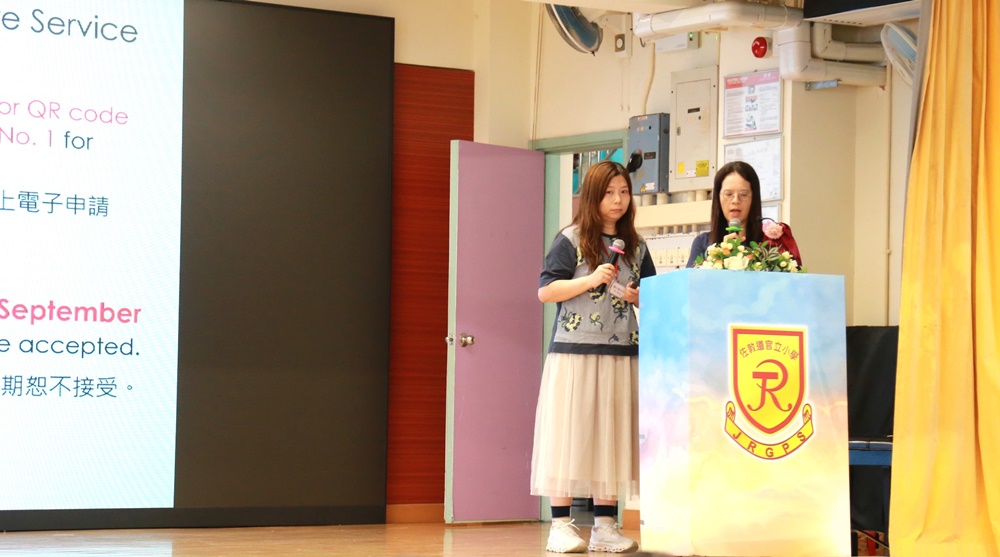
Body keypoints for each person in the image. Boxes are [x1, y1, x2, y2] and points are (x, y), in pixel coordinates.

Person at [531, 160, 656, 554]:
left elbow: (656, 298)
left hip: (621, 353)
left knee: (611, 437)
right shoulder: (571, 239)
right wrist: (589, 279)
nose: (618, 200)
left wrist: (639, 297)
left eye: (624, 192)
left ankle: (605, 526)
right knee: (568, 435)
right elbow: (546, 291)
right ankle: (560, 526)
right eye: (609, 193)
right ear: (592, 197)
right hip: (574, 352)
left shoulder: (637, 245)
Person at [685, 161, 764, 268]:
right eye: (729, 194)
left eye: (744, 194)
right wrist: (722, 254)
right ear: (718, 198)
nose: (735, 200)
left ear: (753, 198)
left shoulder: (768, 242)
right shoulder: (702, 243)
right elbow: (691, 277)